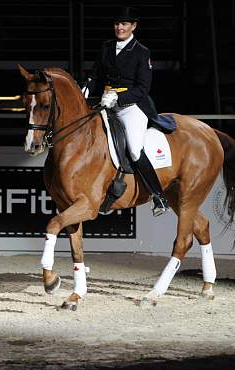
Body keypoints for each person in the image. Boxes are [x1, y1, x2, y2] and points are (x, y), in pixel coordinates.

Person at [83, 6, 170, 217]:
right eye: (117, 23)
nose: (119, 27)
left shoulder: (142, 52)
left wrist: (119, 98)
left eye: (124, 24)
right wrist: (86, 87)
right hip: (106, 102)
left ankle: (158, 196)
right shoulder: (106, 47)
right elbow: (96, 75)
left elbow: (143, 89)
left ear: (133, 26)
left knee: (133, 149)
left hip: (132, 107)